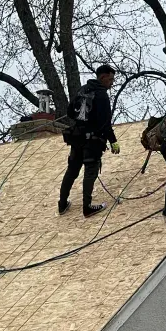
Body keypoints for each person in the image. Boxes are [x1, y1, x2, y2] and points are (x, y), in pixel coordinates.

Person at [58, 64, 121, 217]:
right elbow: (106, 123)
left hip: (77, 138)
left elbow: (70, 112)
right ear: (103, 77)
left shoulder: (82, 90)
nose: (112, 83)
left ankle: (62, 204)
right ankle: (87, 207)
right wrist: (113, 141)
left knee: (71, 171)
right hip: (93, 140)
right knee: (90, 172)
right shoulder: (101, 95)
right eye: (111, 79)